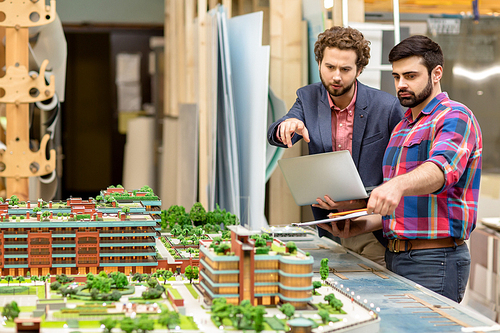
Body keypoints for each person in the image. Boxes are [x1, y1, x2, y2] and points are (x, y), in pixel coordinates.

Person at [323, 35, 482, 303]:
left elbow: (441, 169)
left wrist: (396, 184)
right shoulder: (403, 127)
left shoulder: (455, 116)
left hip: (435, 260)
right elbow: (402, 208)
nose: (401, 85)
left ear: (436, 73)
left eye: (410, 75)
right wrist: (360, 225)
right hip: (395, 254)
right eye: (397, 77)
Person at [267, 26, 403, 266]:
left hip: (372, 229)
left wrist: (360, 202)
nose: (336, 76)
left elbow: (401, 169)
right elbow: (276, 133)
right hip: (328, 228)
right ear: (319, 63)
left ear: (359, 70)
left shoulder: (387, 107)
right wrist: (288, 125)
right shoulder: (308, 98)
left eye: (345, 69)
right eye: (329, 67)